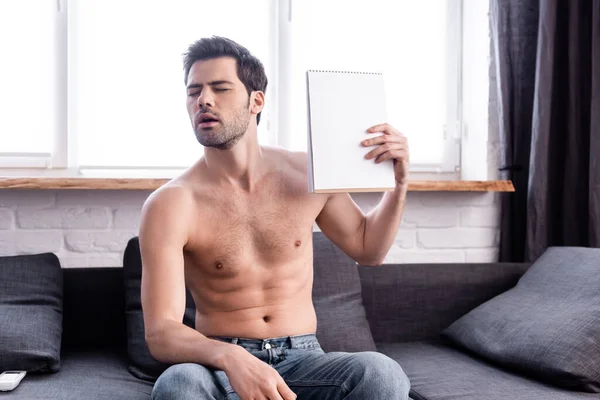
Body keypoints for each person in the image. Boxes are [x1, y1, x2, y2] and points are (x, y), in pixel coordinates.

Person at [140, 36, 411, 400]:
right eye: (194, 92)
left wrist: (399, 183)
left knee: (383, 374)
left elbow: (369, 248)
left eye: (219, 88)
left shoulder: (306, 173)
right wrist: (231, 357)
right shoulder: (171, 204)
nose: (203, 99)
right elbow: (161, 331)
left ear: (256, 101)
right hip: (219, 366)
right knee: (177, 385)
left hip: (305, 360)